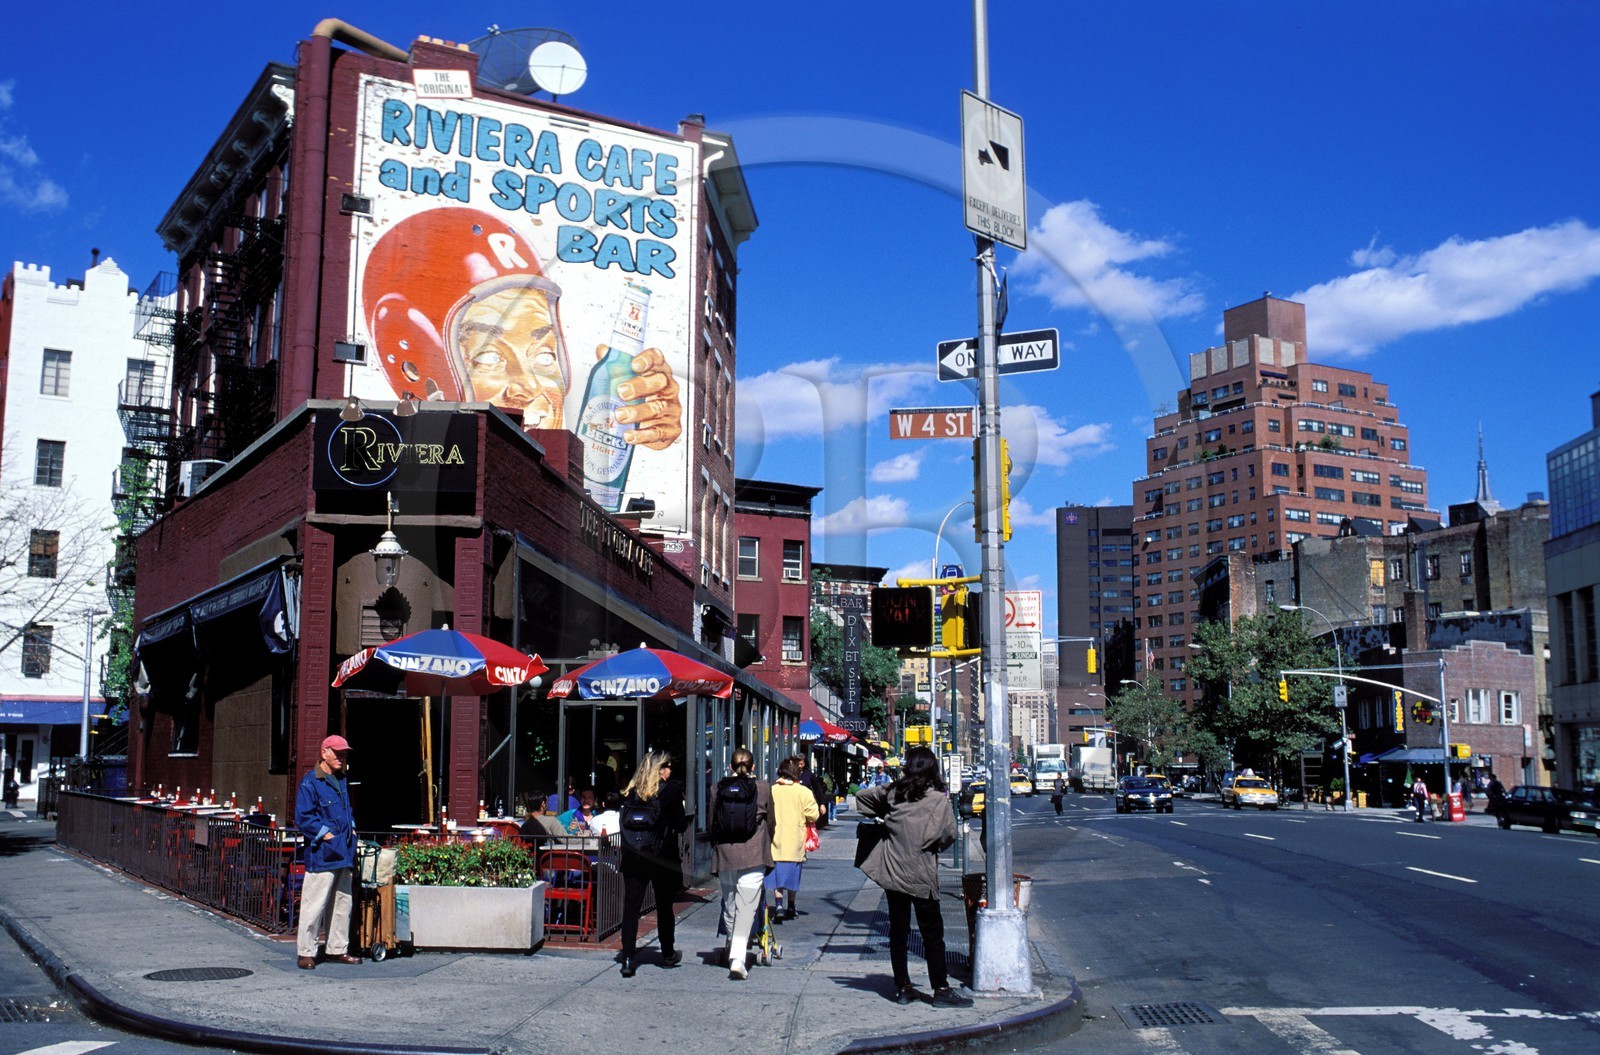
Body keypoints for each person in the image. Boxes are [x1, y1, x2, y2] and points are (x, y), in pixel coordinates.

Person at [855, 746, 971, 1007]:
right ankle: (940, 988)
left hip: (894, 872)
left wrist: (886, 812)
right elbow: (949, 835)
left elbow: (863, 799)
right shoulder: (939, 800)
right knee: (932, 933)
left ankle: (903, 987)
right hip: (922, 873)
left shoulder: (895, 793)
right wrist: (933, 846)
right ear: (933, 769)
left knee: (899, 930)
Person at [618, 751, 689, 977]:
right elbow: (681, 824)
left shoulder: (630, 792)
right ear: (660, 769)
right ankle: (667, 953)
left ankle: (628, 957)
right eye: (668, 766)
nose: (670, 770)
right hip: (661, 857)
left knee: (631, 908)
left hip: (633, 857)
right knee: (664, 906)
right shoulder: (670, 791)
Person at [294, 735, 360, 970]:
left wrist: (351, 828)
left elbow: (346, 811)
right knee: (315, 904)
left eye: (344, 754)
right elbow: (303, 818)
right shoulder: (310, 782)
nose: (342, 758)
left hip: (343, 851)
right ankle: (306, 952)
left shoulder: (340, 779)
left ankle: (337, 949)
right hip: (323, 854)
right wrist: (328, 835)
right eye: (337, 753)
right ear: (324, 753)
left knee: (343, 903)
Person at [710, 748, 773, 980]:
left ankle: (731, 943)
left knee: (729, 904)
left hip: (726, 854)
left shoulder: (716, 788)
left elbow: (711, 823)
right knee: (747, 907)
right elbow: (772, 822)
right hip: (754, 853)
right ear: (753, 767)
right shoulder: (764, 789)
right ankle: (737, 957)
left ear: (730, 766)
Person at [768, 756, 820, 920]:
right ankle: (791, 905)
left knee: (777, 873)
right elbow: (813, 815)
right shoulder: (803, 791)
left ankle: (778, 905)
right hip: (795, 839)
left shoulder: (772, 790)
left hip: (775, 839)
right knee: (793, 874)